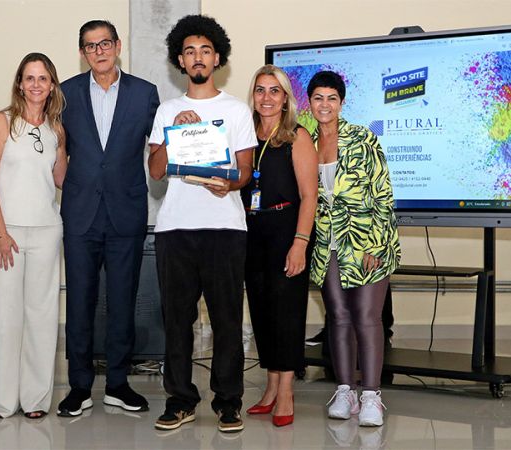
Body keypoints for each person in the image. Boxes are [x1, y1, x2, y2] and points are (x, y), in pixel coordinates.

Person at [148, 15, 256, 433]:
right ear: (180, 59)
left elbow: (244, 172)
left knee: (227, 320)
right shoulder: (167, 110)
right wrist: (173, 134)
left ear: (217, 58)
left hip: (225, 227)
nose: (198, 57)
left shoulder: (236, 110)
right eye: (190, 51)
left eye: (205, 51)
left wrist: (229, 183)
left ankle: (228, 402)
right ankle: (180, 400)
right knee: (177, 321)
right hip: (175, 228)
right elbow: (156, 170)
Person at [57, 20, 160, 417]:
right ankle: (79, 386)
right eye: (90, 45)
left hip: (125, 214)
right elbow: (55, 147)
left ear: (118, 46)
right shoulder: (65, 93)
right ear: (82, 52)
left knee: (122, 302)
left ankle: (118, 383)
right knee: (79, 303)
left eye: (104, 43)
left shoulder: (144, 93)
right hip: (80, 215)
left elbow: (159, 146)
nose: (98, 51)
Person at [307, 70, 401, 427]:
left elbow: (382, 193)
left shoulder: (363, 138)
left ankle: (372, 395)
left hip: (366, 241)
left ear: (341, 103)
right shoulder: (306, 143)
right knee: (338, 316)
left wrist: (375, 243)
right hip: (327, 243)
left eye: (332, 98)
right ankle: (345, 390)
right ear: (309, 103)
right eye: (318, 98)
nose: (325, 105)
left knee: (367, 316)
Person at [0, 52, 66, 419]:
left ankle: (35, 399)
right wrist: (0, 233)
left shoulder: (56, 128)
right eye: (29, 78)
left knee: (42, 316)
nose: (36, 84)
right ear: (19, 83)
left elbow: (60, 179)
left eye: (43, 78)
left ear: (52, 85)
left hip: (46, 230)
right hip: (5, 233)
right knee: (7, 315)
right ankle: (6, 400)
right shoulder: (1, 122)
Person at [241, 65, 318, 427]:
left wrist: (300, 243)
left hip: (287, 229)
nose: (267, 97)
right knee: (261, 310)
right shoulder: (245, 135)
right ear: (253, 96)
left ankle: (286, 390)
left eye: (275, 91)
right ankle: (271, 387)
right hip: (251, 230)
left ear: (286, 98)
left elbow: (309, 195)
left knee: (286, 311)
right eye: (260, 90)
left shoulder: (297, 136)